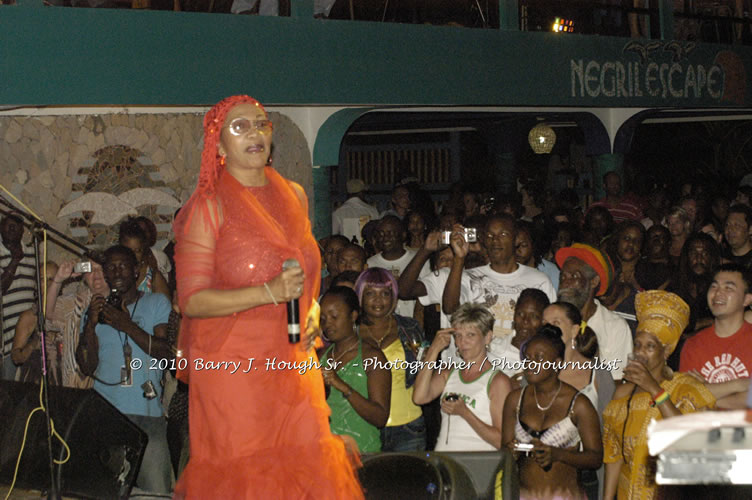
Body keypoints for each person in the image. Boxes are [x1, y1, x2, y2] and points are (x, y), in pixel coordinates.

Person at [172, 95, 362, 498]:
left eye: (261, 124)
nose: (255, 133)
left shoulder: (293, 195)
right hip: (233, 367)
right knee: (249, 478)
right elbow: (192, 301)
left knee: (306, 468)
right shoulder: (208, 207)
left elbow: (305, 272)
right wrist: (267, 293)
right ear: (218, 146)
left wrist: (311, 306)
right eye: (240, 127)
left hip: (293, 359)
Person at [76, 245, 173, 493]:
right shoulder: (97, 309)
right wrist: (90, 325)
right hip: (106, 415)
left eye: (123, 265)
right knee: (105, 491)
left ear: (136, 270)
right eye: (111, 266)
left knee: (155, 493)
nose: (117, 271)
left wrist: (126, 325)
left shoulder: (156, 302)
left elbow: (165, 351)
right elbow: (87, 367)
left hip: (147, 416)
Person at [603, 290, 715, 499]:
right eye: (637, 344)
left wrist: (655, 389)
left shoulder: (685, 389)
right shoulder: (622, 394)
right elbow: (614, 456)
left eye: (650, 346)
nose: (640, 352)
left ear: (666, 352)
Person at [502, 324, 603, 500]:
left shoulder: (578, 404)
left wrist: (559, 454)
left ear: (557, 363)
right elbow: (503, 449)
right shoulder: (514, 400)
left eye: (539, 358)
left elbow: (595, 458)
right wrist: (511, 452)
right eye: (527, 357)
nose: (530, 363)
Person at [413, 303, 512, 451]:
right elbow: (419, 397)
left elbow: (501, 441)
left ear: (487, 337)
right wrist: (434, 349)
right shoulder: (448, 372)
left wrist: (465, 413)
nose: (462, 342)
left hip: (476, 463)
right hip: (446, 462)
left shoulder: (498, 381)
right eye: (458, 336)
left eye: (470, 335)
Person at [443, 214, 556, 342]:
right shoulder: (470, 277)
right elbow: (449, 308)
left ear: (516, 240)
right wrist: (459, 257)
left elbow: (552, 327)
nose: (495, 241)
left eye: (503, 235)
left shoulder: (539, 281)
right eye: (490, 236)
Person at [355, 267, 427, 451]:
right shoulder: (349, 332)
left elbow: (424, 371)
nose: (378, 300)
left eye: (385, 293)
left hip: (409, 425)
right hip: (362, 424)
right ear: (360, 296)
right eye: (370, 293)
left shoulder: (409, 327)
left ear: (393, 297)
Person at [320, 286, 391, 453]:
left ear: (353, 316)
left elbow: (380, 418)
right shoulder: (321, 356)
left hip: (361, 453)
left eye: (334, 317)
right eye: (323, 318)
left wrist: (343, 386)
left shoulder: (372, 357)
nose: (327, 324)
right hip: (327, 452)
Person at [679, 263, 752, 408]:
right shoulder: (694, 345)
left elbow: (694, 399)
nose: (718, 293)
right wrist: (739, 385)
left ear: (746, 300)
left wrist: (705, 394)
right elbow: (684, 398)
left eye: (728, 288)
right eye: (714, 286)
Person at [556, 243, 633, 380]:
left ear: (594, 282)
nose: (565, 283)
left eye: (574, 276)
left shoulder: (615, 327)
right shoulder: (550, 319)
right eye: (563, 277)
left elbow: (616, 382)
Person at [0, 212, 37, 380]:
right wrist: (14, 261)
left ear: (23, 230)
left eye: (16, 225)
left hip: (30, 339)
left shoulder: (32, 252)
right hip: (7, 343)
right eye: (8, 224)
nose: (12, 228)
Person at [12, 261, 59, 384]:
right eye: (43, 279)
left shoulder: (68, 312)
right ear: (36, 284)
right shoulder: (30, 316)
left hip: (63, 377)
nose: (48, 284)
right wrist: (35, 343)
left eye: (52, 279)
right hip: (36, 380)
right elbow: (16, 358)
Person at [119, 218, 171, 300]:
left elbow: (166, 308)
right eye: (128, 251)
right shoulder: (115, 276)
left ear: (143, 250)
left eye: (137, 251)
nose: (132, 255)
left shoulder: (154, 277)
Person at [331, 178, 379, 246]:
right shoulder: (372, 210)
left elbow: (334, 235)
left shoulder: (338, 212)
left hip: (347, 252)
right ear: (361, 193)